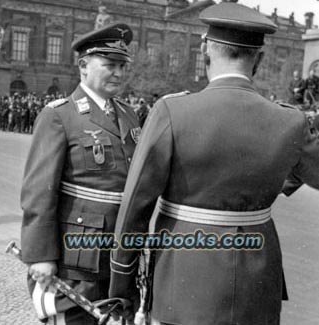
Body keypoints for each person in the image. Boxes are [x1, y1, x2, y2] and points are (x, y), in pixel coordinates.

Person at [109, 3, 319, 325]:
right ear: (259, 60)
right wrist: (272, 182)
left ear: (205, 50)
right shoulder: (289, 121)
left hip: (183, 283)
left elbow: (135, 204)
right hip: (257, 287)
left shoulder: (172, 111)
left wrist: (122, 282)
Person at [20, 23, 140, 324]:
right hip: (75, 259)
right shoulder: (60, 115)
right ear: (83, 66)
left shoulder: (129, 113)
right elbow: (38, 193)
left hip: (118, 256)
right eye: (110, 65)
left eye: (122, 66)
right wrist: (40, 256)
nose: (119, 73)